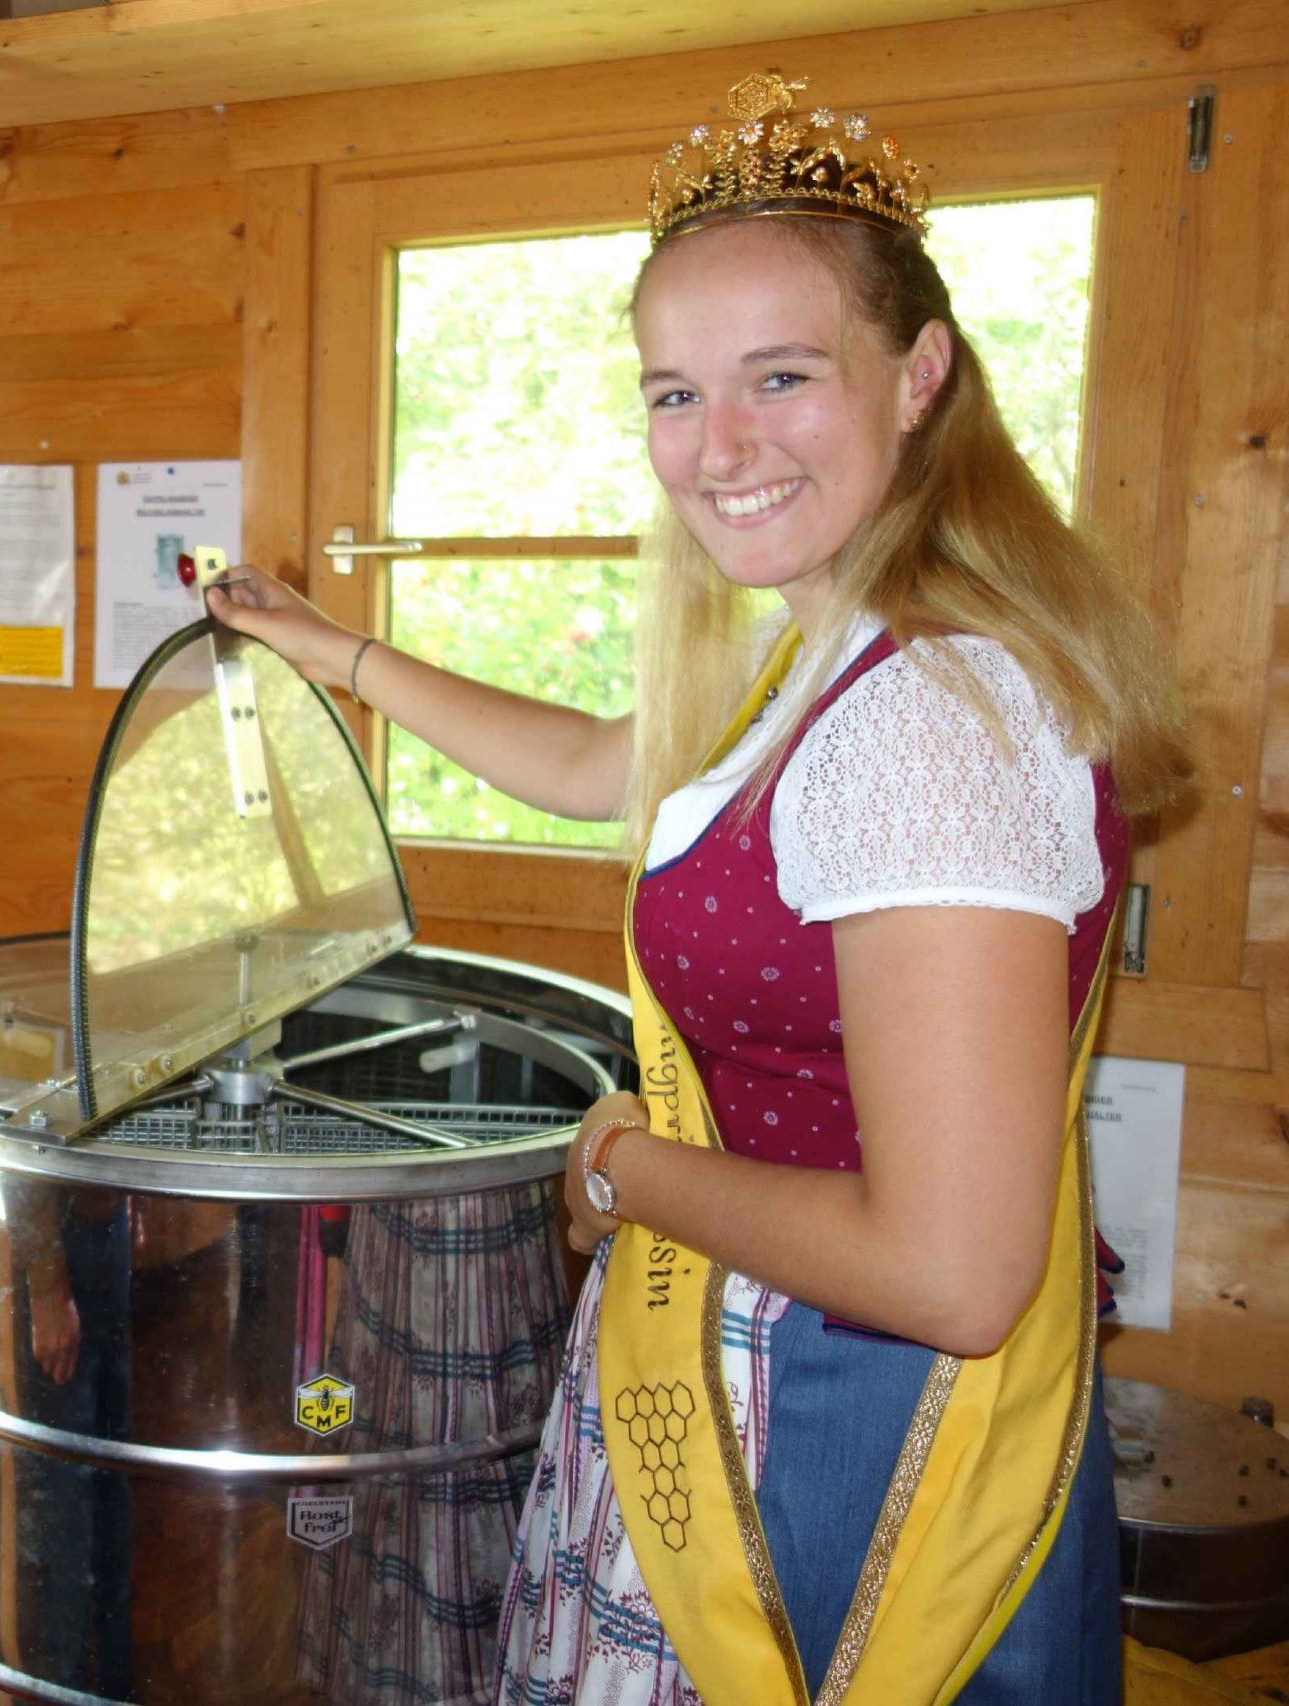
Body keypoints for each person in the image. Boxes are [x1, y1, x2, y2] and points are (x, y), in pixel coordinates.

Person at [209, 72, 1186, 1706]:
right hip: (746, 1370)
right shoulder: (827, 645)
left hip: (849, 1438)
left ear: (920, 373)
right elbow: (602, 764)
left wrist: (620, 1161)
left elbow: (950, 1272)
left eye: (779, 377)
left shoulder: (932, 721)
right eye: (675, 393)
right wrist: (337, 652)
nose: (717, 447)